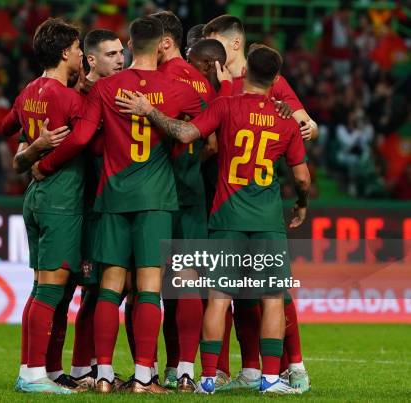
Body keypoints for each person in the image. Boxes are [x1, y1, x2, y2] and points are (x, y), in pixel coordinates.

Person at [115, 43, 311, 395]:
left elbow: (186, 133)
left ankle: (207, 378)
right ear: (276, 79)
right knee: (271, 298)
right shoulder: (285, 117)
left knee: (219, 297)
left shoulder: (226, 106)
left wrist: (149, 111)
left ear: (246, 71)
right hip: (267, 220)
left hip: (225, 217)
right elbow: (302, 178)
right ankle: (269, 378)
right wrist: (300, 204)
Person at [36, 15, 204, 394]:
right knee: (148, 288)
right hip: (157, 200)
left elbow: (80, 139)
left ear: (129, 46)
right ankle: (144, 378)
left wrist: (43, 164)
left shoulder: (106, 88)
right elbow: (210, 118)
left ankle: (105, 376)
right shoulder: (177, 88)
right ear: (161, 44)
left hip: (111, 198)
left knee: (109, 288)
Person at [204, 15, 313, 392]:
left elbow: (307, 125)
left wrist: (291, 119)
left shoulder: (272, 82)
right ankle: (251, 369)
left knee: (270, 293)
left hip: (247, 199)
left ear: (235, 45)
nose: (209, 48)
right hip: (220, 195)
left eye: (213, 40)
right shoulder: (214, 82)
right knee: (240, 294)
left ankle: (294, 365)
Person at [0, 18, 84, 394]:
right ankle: (33, 375)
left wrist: (31, 142)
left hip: (34, 197)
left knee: (39, 289)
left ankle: (35, 370)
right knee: (50, 291)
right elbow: (87, 137)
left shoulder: (29, 89)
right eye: (79, 49)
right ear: (66, 52)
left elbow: (5, 126)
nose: (82, 54)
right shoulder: (68, 98)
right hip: (60, 200)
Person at [151, 11, 232, 392]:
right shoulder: (203, 85)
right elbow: (213, 143)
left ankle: (147, 370)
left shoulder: (156, 78)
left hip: (152, 193)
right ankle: (185, 369)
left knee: (149, 286)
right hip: (193, 192)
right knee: (188, 283)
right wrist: (188, 161)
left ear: (163, 42)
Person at [68, 28, 125, 389]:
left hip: (106, 204)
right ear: (91, 60)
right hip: (87, 204)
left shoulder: (112, 91)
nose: (121, 59)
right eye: (112, 54)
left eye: (122, 52)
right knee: (90, 289)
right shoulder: (82, 95)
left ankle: (85, 366)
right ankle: (78, 368)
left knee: (101, 287)